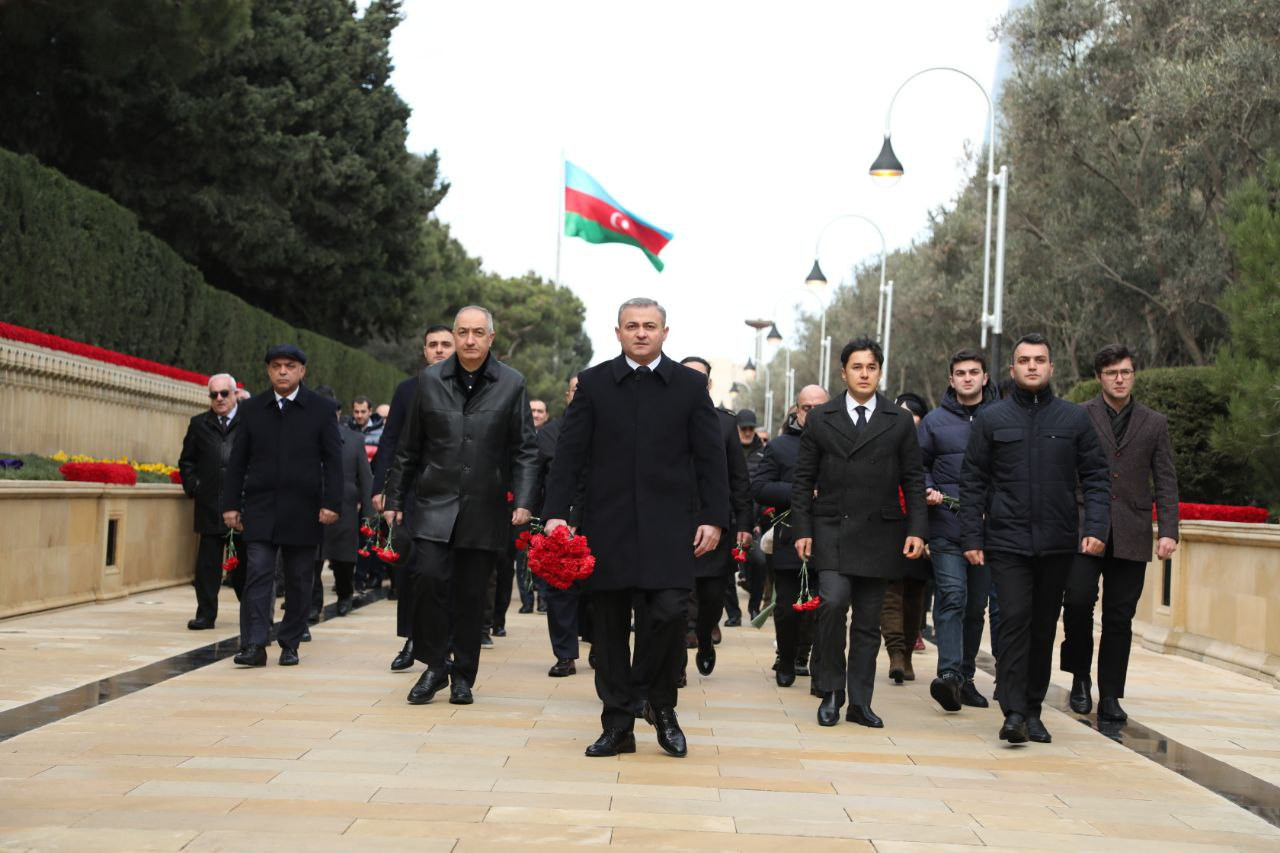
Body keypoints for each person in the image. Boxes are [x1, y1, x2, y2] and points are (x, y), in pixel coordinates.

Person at [543, 297, 728, 758]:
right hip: (606, 527)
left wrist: (714, 517)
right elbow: (568, 456)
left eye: (650, 326)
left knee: (667, 616)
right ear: (618, 332)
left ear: (666, 332)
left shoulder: (689, 386)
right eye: (632, 326)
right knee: (607, 632)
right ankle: (617, 724)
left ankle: (659, 705)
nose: (641, 333)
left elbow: (711, 458)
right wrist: (553, 513)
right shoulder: (594, 384)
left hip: (671, 528)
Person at [383, 306, 539, 706]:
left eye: (478, 333)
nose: (470, 340)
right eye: (463, 332)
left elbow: (524, 449)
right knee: (428, 578)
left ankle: (463, 675)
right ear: (453, 336)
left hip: (484, 507)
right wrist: (394, 499)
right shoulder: (429, 380)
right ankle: (436, 664)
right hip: (434, 502)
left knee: (471, 596)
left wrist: (523, 501)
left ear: (491, 338)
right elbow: (408, 447)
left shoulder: (512, 383)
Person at [960, 332, 1110, 745]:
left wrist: (1096, 528)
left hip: (1058, 542)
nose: (1031, 366)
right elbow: (972, 481)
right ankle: (1013, 712)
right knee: (1013, 621)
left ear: (1050, 367)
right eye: (1024, 360)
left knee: (1043, 628)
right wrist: (971, 535)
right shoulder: (992, 419)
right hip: (1006, 542)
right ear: (1012, 369)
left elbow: (1096, 478)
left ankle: (1033, 708)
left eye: (1038, 360)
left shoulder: (1074, 419)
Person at [792, 337, 928, 729]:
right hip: (832, 527)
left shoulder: (898, 419)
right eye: (857, 367)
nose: (864, 373)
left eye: (871, 367)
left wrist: (917, 529)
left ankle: (860, 702)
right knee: (832, 604)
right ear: (843, 372)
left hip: (880, 533)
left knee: (868, 621)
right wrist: (802, 529)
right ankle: (831, 692)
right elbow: (803, 480)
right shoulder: (822, 417)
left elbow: (913, 480)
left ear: (879, 372)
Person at [1061, 344, 1179, 723]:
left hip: (1132, 529)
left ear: (1133, 374)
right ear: (1100, 377)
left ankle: (1111, 694)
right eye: (1112, 372)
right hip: (1084, 526)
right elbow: (1064, 472)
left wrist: (1169, 530)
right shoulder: (1079, 416)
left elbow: (1165, 479)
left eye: (1126, 372)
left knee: (1119, 617)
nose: (1120, 378)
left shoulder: (1154, 422)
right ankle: (1080, 677)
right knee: (1077, 603)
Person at [221, 344, 342, 667]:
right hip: (260, 506)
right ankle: (254, 644)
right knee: (258, 573)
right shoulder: (253, 409)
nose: (283, 371)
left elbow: (333, 461)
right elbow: (237, 461)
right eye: (276, 366)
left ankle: (290, 642)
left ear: (302, 371)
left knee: (299, 578)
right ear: (268, 371)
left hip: (304, 508)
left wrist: (332, 502)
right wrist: (231, 504)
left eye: (290, 366)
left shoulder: (320, 409)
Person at [917, 349, 1000, 713]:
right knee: (952, 596)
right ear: (951, 379)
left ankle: (965, 678)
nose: (967, 378)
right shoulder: (933, 422)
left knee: (975, 607)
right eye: (960, 373)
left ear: (985, 377)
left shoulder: (1002, 419)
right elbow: (917, 465)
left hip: (988, 530)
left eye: (974, 372)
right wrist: (928, 487)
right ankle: (948, 676)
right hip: (947, 526)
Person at [372, 324, 454, 671]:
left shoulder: (469, 389)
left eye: (445, 344)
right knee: (412, 570)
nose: (439, 350)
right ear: (424, 351)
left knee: (446, 573)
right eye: (432, 345)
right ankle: (411, 639)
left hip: (455, 493)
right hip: (413, 495)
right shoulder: (407, 390)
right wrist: (383, 490)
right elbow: (390, 442)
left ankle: (447, 641)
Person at [679, 357, 752, 679]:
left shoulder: (724, 424)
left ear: (708, 384)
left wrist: (745, 524)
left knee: (711, 595)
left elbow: (739, 478)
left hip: (714, 522)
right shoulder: (661, 417)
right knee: (674, 597)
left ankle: (706, 635)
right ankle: (675, 664)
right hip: (672, 521)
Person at [751, 384, 829, 686]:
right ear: (798, 410)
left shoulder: (842, 445)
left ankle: (813, 662)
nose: (813, 412)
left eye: (819, 407)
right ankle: (785, 657)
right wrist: (803, 493)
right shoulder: (780, 446)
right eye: (807, 407)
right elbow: (759, 487)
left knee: (826, 605)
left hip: (829, 537)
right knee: (786, 607)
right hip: (789, 538)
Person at [178, 372, 246, 629]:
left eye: (224, 393)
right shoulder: (199, 424)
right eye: (214, 394)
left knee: (243, 566)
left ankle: (250, 614)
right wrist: (195, 486)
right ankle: (205, 614)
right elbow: (186, 461)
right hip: (209, 506)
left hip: (241, 507)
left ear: (234, 394)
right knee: (207, 565)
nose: (219, 399)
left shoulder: (248, 422)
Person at [533, 376, 587, 675]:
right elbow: (537, 477)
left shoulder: (608, 430)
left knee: (599, 591)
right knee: (559, 590)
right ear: (567, 395)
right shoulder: (549, 434)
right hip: (558, 524)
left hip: (598, 519)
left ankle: (599, 645)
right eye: (575, 390)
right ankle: (565, 654)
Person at [880, 393, 933, 686]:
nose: (907, 417)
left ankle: (908, 655)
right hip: (887, 524)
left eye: (913, 413)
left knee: (914, 595)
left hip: (918, 524)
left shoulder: (929, 443)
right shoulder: (885, 439)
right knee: (890, 593)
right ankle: (896, 654)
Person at [311, 386, 373, 621]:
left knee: (343, 562)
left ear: (337, 412)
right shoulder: (306, 436)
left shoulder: (354, 440)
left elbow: (366, 479)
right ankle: (313, 605)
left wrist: (367, 514)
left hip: (344, 509)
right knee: (311, 563)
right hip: (312, 507)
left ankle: (345, 595)